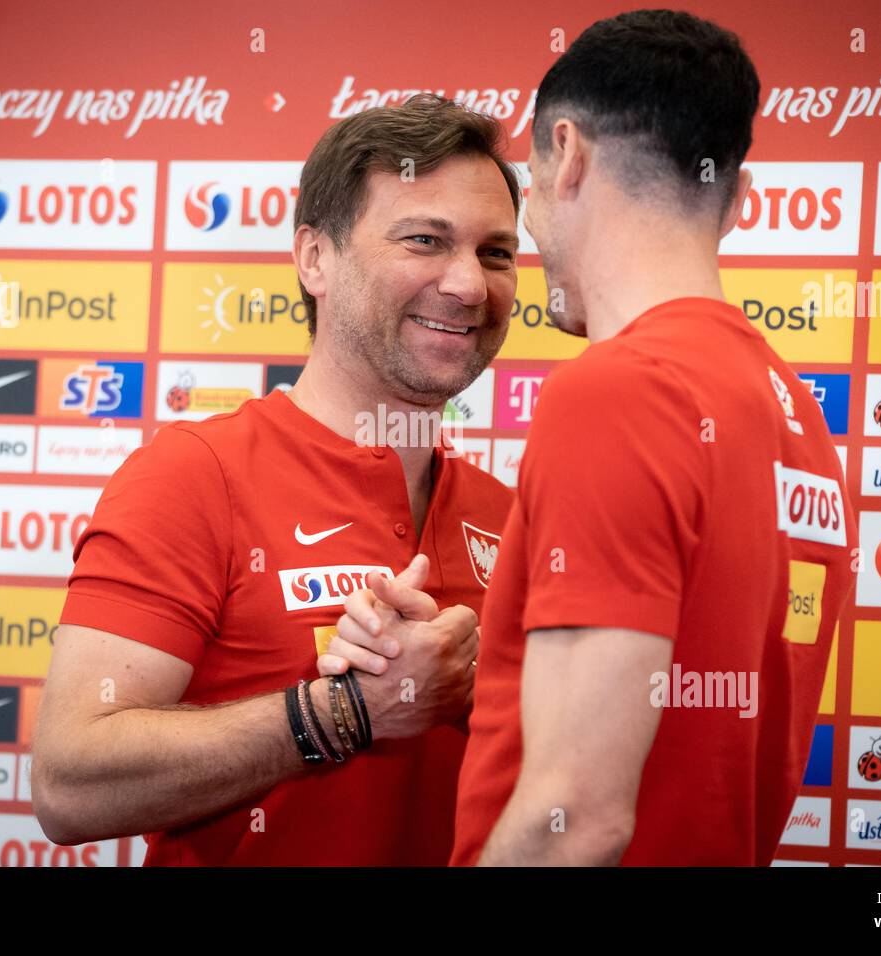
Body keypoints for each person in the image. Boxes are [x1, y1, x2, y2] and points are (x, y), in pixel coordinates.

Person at [335, 10, 857, 866]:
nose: (529, 231)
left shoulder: (623, 390)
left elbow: (575, 817)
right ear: (737, 197)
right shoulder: (791, 411)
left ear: (567, 155)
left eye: (529, 188)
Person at [31, 93, 519, 865]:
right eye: (425, 240)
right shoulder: (196, 475)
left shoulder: (512, 514)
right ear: (314, 258)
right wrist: (348, 711)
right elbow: (69, 784)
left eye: (496, 252)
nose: (469, 285)